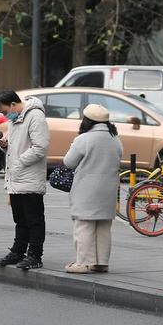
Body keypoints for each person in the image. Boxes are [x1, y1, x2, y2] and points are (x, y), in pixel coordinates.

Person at [0, 90, 50, 270]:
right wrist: (5, 145)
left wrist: (19, 161)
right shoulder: (15, 119)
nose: (5, 115)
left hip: (29, 176)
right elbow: (15, 145)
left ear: (13, 105)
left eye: (5, 111)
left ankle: (35, 255)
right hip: (16, 176)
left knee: (34, 219)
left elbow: (40, 147)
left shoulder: (35, 117)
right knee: (20, 218)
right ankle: (18, 251)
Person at [62, 104, 123, 274]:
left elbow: (69, 162)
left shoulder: (84, 139)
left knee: (84, 225)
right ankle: (101, 262)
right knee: (103, 225)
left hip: (86, 190)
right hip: (109, 189)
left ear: (87, 120)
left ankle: (83, 262)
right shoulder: (115, 138)